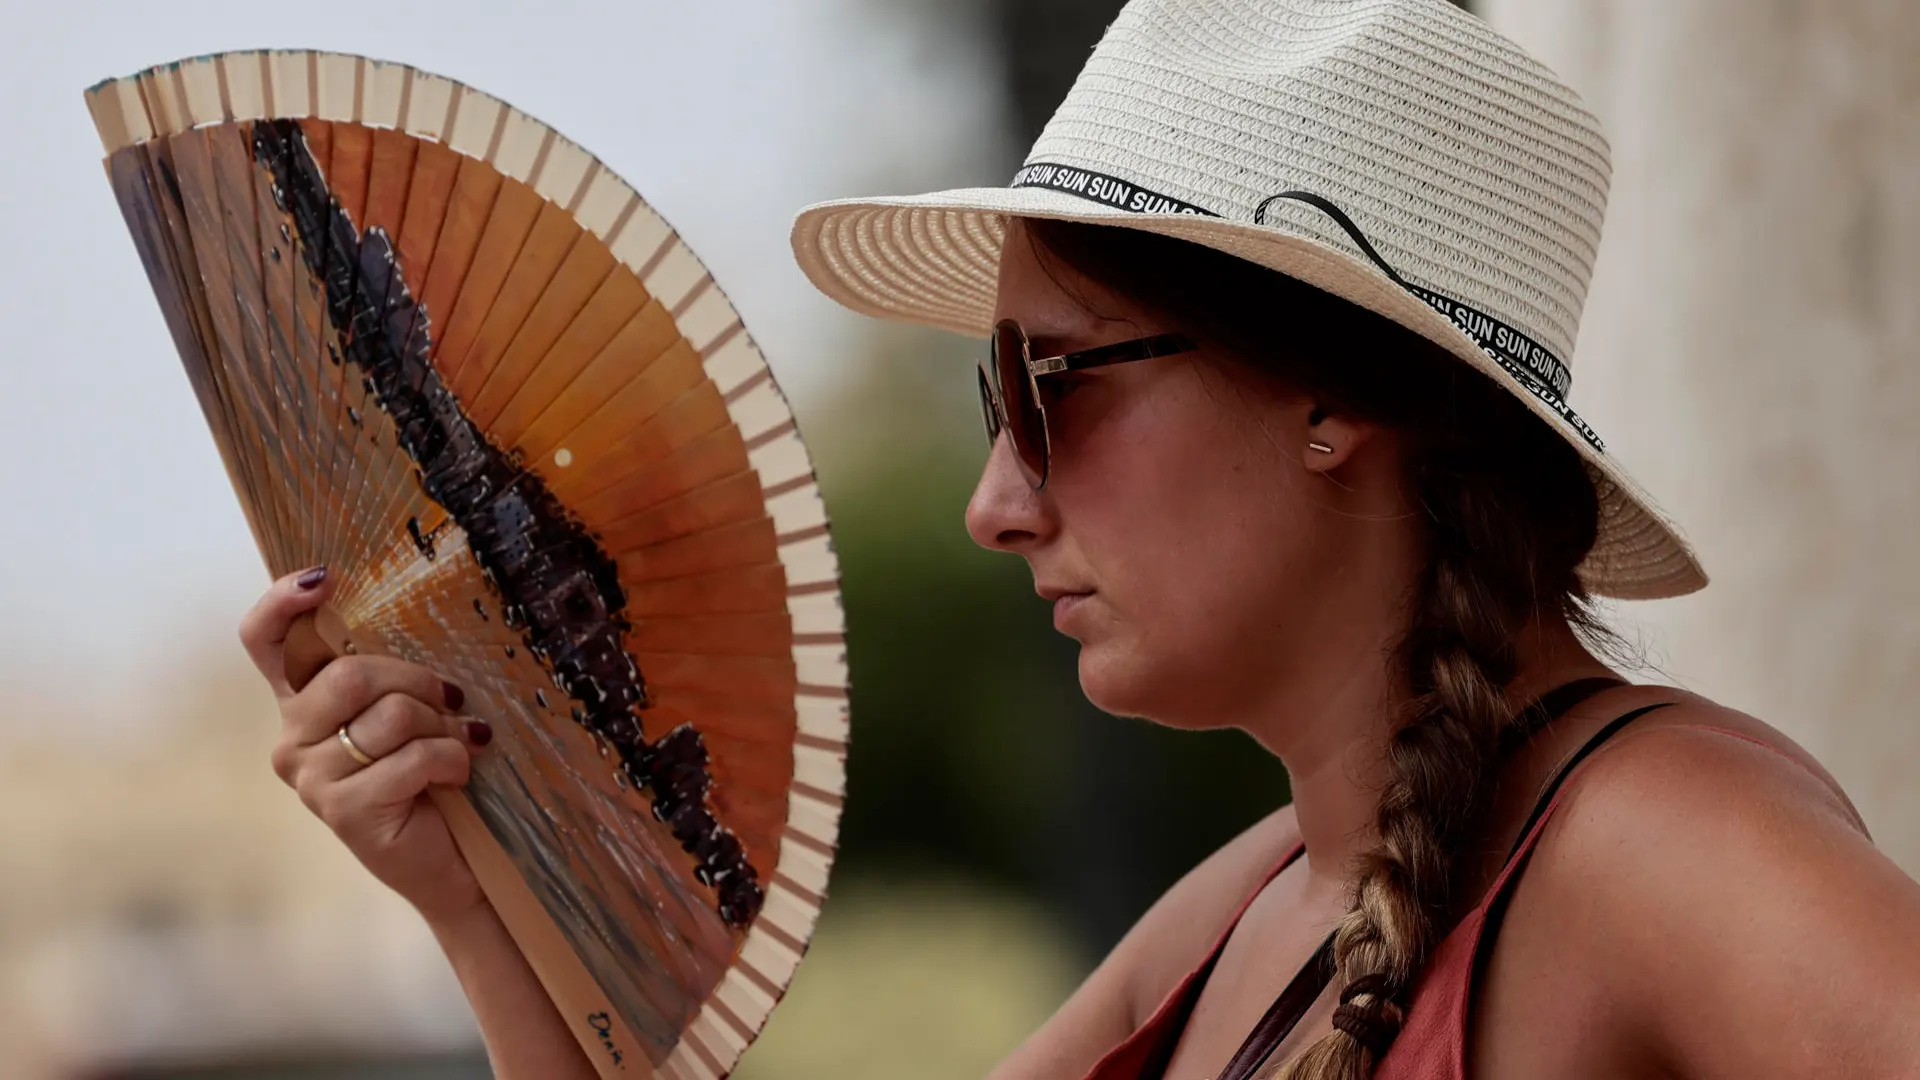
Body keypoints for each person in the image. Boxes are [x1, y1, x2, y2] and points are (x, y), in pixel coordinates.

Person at [239, 0, 1920, 1077]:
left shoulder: (1659, 844)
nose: (993, 501)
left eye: (1050, 388)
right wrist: (479, 902)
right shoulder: (1256, 912)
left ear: (1329, 395)